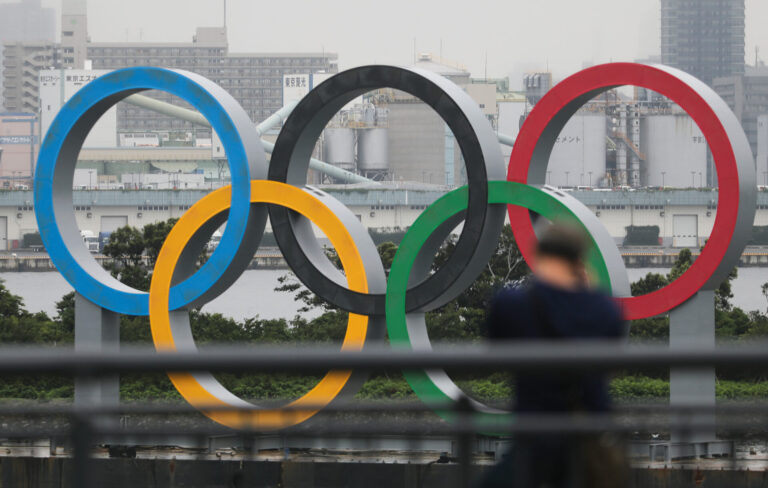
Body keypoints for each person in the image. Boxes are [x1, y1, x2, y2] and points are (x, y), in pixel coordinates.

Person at [478, 224, 626, 488]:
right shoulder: (605, 310)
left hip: (534, 434)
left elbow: (495, 352)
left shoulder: (512, 305)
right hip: (587, 436)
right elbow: (610, 361)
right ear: (579, 260)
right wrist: (587, 289)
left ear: (539, 254)